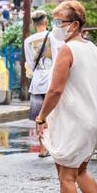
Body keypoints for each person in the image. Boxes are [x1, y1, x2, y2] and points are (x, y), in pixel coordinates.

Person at [36, 0, 97, 193]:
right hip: (92, 122)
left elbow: (55, 90)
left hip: (75, 122)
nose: (55, 26)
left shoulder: (67, 50)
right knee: (80, 172)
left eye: (59, 22)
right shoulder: (93, 49)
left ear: (74, 25)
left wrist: (41, 117)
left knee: (66, 177)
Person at [24, 10, 63, 157]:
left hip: (37, 82)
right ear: (46, 22)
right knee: (54, 114)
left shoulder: (28, 41)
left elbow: (29, 62)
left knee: (39, 115)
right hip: (52, 81)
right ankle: (54, 144)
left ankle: (42, 148)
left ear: (34, 24)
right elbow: (59, 58)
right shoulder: (54, 37)